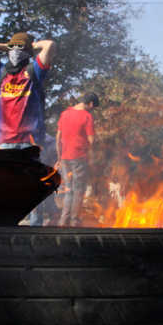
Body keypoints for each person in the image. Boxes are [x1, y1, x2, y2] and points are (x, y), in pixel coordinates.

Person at [0, 32, 56, 149]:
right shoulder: (1, 72)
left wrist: (32, 45)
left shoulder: (34, 70)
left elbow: (50, 45)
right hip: (5, 142)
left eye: (20, 47)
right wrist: (5, 45)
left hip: (30, 142)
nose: (15, 51)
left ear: (27, 51)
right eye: (12, 47)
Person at [56, 92, 99, 226]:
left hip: (65, 158)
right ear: (91, 104)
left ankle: (63, 220)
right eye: (93, 107)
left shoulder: (65, 114)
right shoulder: (87, 116)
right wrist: (93, 155)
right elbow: (92, 141)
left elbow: (58, 138)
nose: (92, 109)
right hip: (79, 158)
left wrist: (59, 158)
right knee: (78, 189)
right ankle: (74, 221)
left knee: (69, 189)